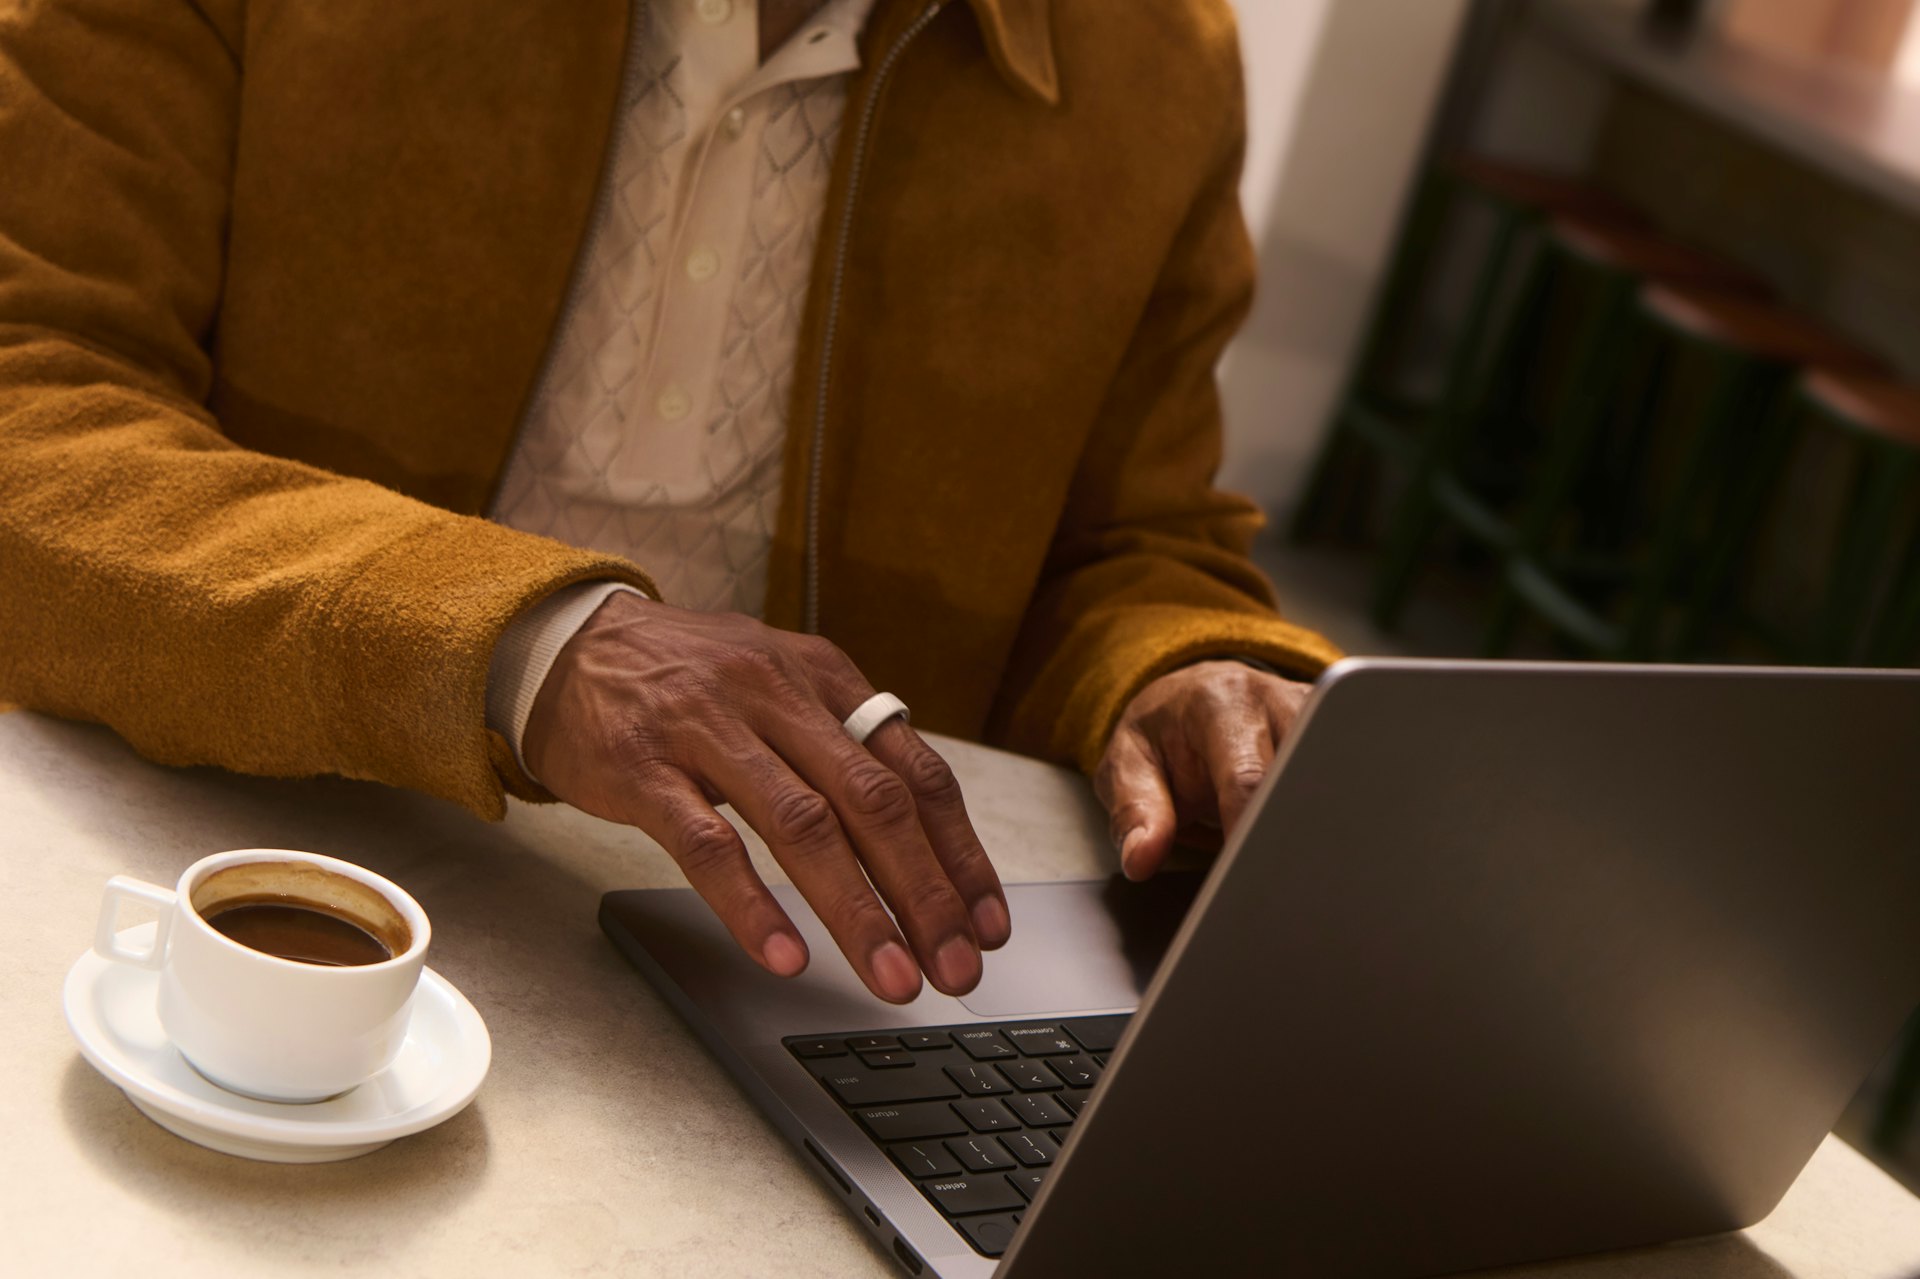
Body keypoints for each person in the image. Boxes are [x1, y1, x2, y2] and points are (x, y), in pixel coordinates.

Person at [0, 0, 1340, 1006]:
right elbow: (32, 413)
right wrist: (534, 643)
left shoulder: (1155, 61)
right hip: (203, 862)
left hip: (799, 967)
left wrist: (1181, 671)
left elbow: (1127, 541)